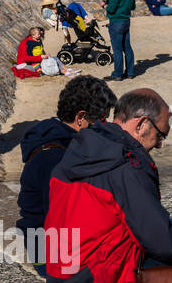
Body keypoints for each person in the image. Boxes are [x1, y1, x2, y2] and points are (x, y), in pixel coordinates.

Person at [43, 89, 172, 283]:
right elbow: (165, 244)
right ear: (142, 124)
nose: (160, 145)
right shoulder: (126, 164)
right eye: (160, 135)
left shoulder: (80, 150)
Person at [16, 76, 117, 258]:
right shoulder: (56, 159)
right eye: (101, 119)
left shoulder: (51, 137)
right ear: (80, 118)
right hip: (49, 252)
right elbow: (62, 222)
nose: (104, 126)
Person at [102, 0, 136, 82]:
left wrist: (105, 5)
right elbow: (133, 7)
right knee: (127, 48)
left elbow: (111, 9)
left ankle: (118, 73)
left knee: (117, 49)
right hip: (126, 20)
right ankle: (130, 72)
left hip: (116, 21)